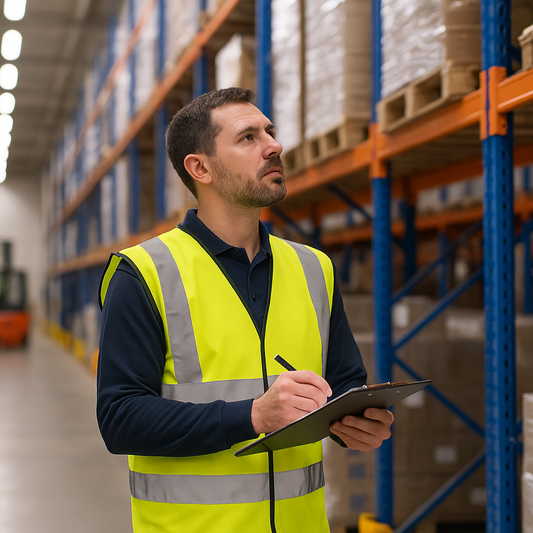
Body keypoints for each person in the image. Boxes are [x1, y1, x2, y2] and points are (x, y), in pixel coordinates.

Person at [97, 87, 394, 533]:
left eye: (270, 133)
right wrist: (253, 416)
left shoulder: (314, 268)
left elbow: (344, 382)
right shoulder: (144, 273)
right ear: (200, 168)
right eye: (249, 137)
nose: (274, 146)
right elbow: (120, 419)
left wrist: (354, 421)